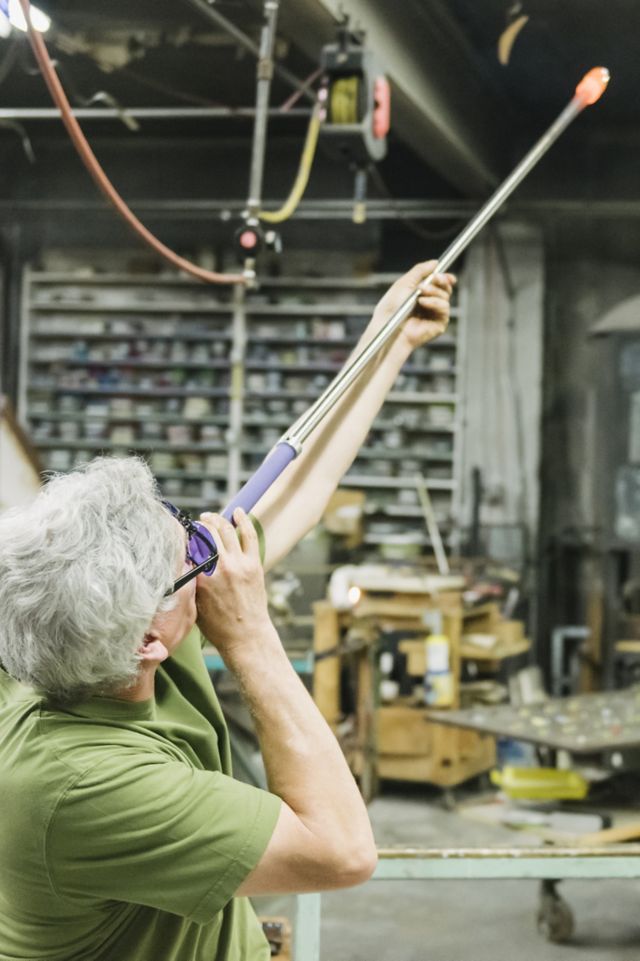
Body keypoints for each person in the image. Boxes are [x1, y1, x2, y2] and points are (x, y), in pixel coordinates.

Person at [0, 261, 454, 961]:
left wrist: (388, 336)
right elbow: (342, 849)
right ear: (150, 638)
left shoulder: (73, 628)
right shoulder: (87, 784)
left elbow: (291, 490)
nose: (205, 540)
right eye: (187, 551)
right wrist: (250, 635)